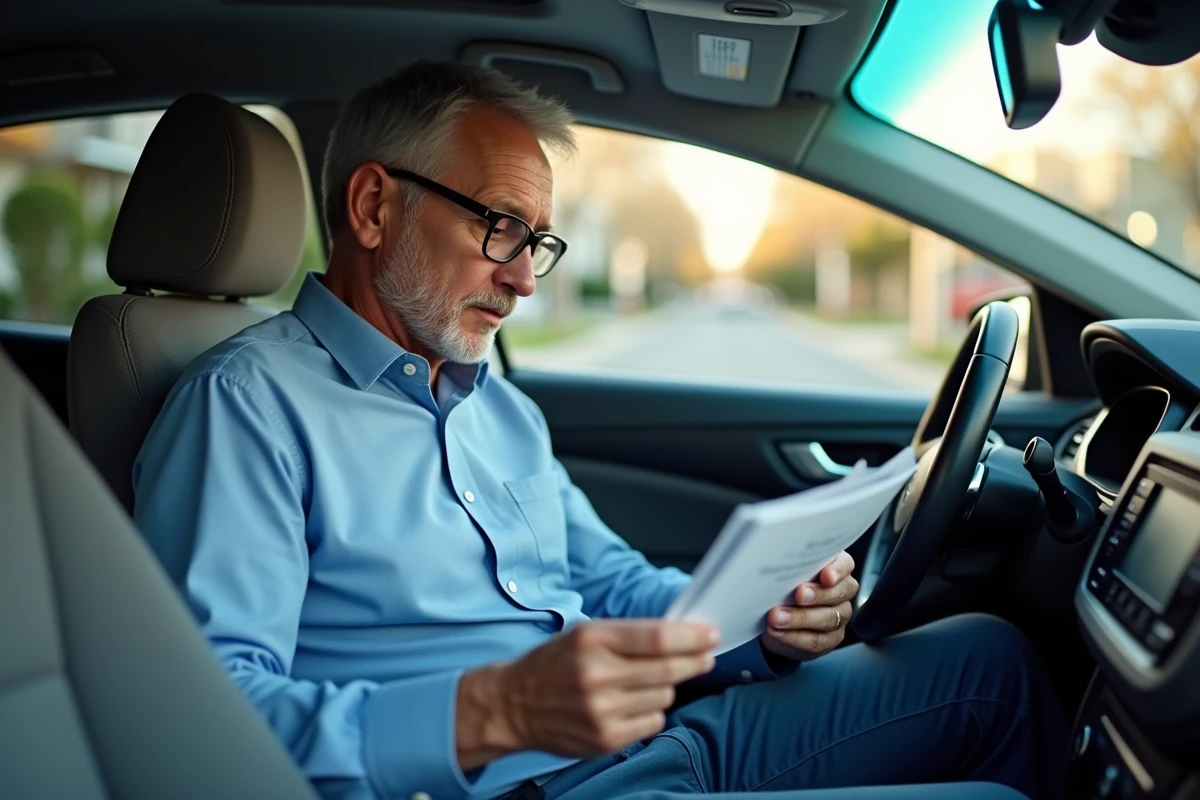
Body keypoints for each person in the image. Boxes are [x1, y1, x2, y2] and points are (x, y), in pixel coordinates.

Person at [133, 62, 1067, 800]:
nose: (526, 279)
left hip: (657, 742)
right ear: (376, 207)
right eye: (501, 227)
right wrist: (489, 711)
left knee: (994, 661)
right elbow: (200, 722)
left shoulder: (494, 403)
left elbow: (613, 583)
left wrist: (761, 628)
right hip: (511, 787)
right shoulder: (246, 406)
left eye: (538, 240)